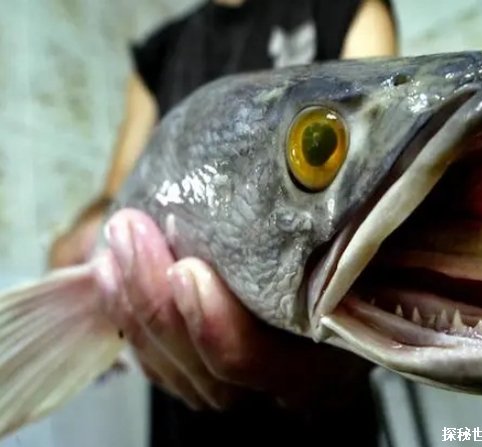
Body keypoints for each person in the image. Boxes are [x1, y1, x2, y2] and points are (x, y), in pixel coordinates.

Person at [49, 1, 398, 446]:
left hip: (327, 422)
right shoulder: (160, 52)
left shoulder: (347, 9)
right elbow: (115, 193)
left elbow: (384, 164)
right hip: (185, 423)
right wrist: (78, 247)